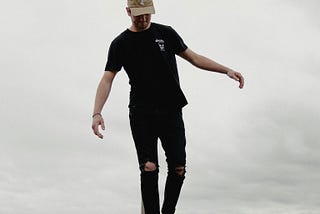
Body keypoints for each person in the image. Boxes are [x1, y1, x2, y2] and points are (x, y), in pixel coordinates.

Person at [91, 0, 244, 213]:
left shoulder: (166, 33)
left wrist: (226, 70)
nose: (143, 19)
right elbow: (107, 78)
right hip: (142, 113)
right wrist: (96, 112)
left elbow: (194, 58)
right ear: (128, 12)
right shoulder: (120, 43)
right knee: (149, 167)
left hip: (171, 109)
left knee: (178, 168)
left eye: (147, 14)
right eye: (138, 15)